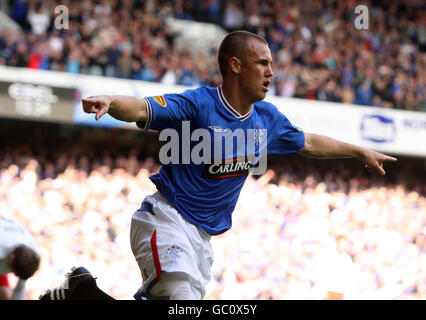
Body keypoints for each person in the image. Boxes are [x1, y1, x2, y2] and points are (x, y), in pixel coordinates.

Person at [40, 30, 397, 300]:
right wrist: (112, 101)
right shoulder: (198, 105)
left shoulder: (267, 118)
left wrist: (359, 151)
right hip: (167, 220)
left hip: (202, 240)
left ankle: (81, 291)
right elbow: (143, 108)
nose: (272, 72)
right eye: (263, 64)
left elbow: (309, 143)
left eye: (271, 64)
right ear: (235, 65)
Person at [0, 217, 41, 300]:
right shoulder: (2, 244)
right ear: (11, 257)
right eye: (13, 271)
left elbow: (20, 290)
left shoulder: (33, 252)